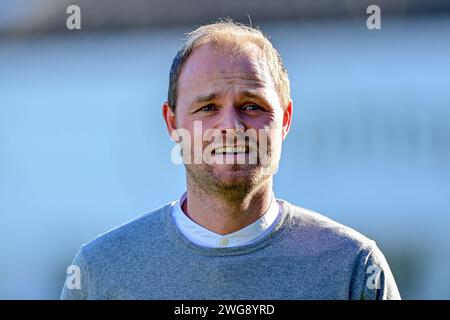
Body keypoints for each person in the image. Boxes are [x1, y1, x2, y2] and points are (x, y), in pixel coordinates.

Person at [61, 20, 401, 300]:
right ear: (172, 123)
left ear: (284, 120)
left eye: (252, 105)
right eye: (207, 107)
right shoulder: (101, 271)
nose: (232, 127)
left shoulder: (354, 266)